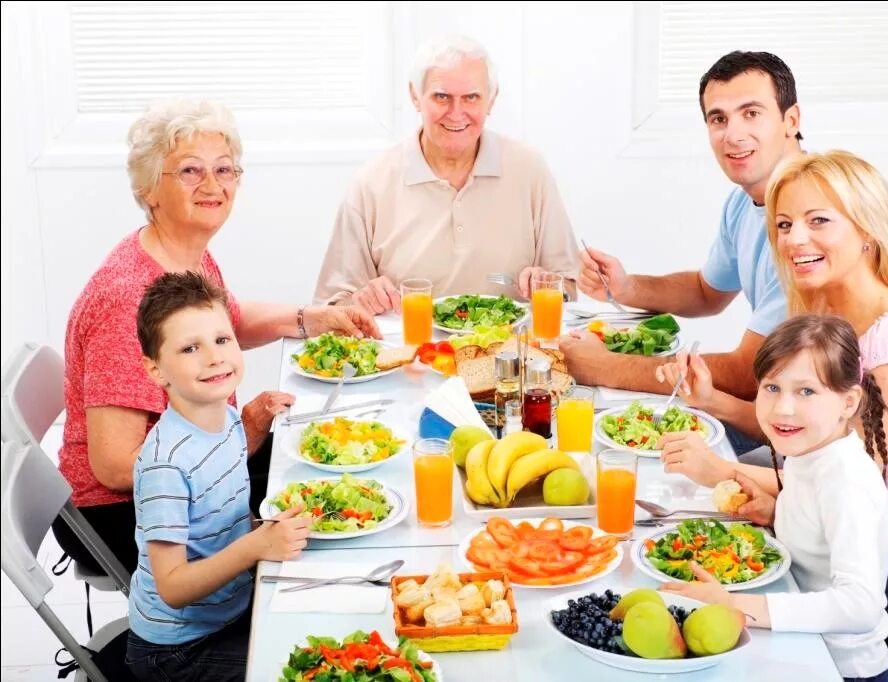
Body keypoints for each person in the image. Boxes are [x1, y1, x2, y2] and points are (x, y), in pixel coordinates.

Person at [657, 150, 888, 647]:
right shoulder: (822, 314)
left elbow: (848, 481)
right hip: (842, 531)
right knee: (704, 559)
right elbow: (808, 440)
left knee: (717, 596)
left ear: (867, 231)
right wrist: (713, 401)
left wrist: (722, 471)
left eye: (819, 221)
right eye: (785, 223)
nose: (794, 239)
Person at [53, 100, 378, 576]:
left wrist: (313, 317)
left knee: (322, 466)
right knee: (315, 518)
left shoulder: (183, 255)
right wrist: (239, 434)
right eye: (190, 171)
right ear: (149, 188)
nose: (213, 185)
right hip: (124, 510)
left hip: (194, 464)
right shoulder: (127, 299)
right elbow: (116, 466)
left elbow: (232, 322)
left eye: (225, 169)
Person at [663, 314, 888, 682]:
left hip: (838, 669)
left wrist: (735, 604)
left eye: (806, 391)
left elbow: (860, 606)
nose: (783, 408)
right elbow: (817, 531)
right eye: (772, 388)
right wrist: (777, 513)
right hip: (797, 644)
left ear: (848, 402)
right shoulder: (812, 450)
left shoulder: (848, 481)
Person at [559, 50, 801, 401]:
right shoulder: (743, 202)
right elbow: (706, 292)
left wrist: (604, 366)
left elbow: (750, 371)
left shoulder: (808, 225)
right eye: (718, 119)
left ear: (791, 120)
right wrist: (626, 287)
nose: (733, 134)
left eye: (751, 113)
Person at [125, 272, 311, 681]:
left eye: (222, 340)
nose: (214, 357)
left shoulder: (225, 416)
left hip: (231, 608)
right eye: (191, 348)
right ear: (155, 370)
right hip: (178, 650)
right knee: (300, 669)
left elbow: (217, 479)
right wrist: (256, 545)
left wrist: (255, 425)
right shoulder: (164, 465)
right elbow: (172, 587)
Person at [313, 34, 580, 312]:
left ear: (491, 100)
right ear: (415, 96)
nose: (456, 113)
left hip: (511, 352)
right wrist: (359, 300)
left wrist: (549, 286)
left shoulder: (529, 169)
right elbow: (330, 308)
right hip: (411, 353)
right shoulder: (371, 183)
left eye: (471, 98)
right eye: (442, 97)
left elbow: (569, 288)